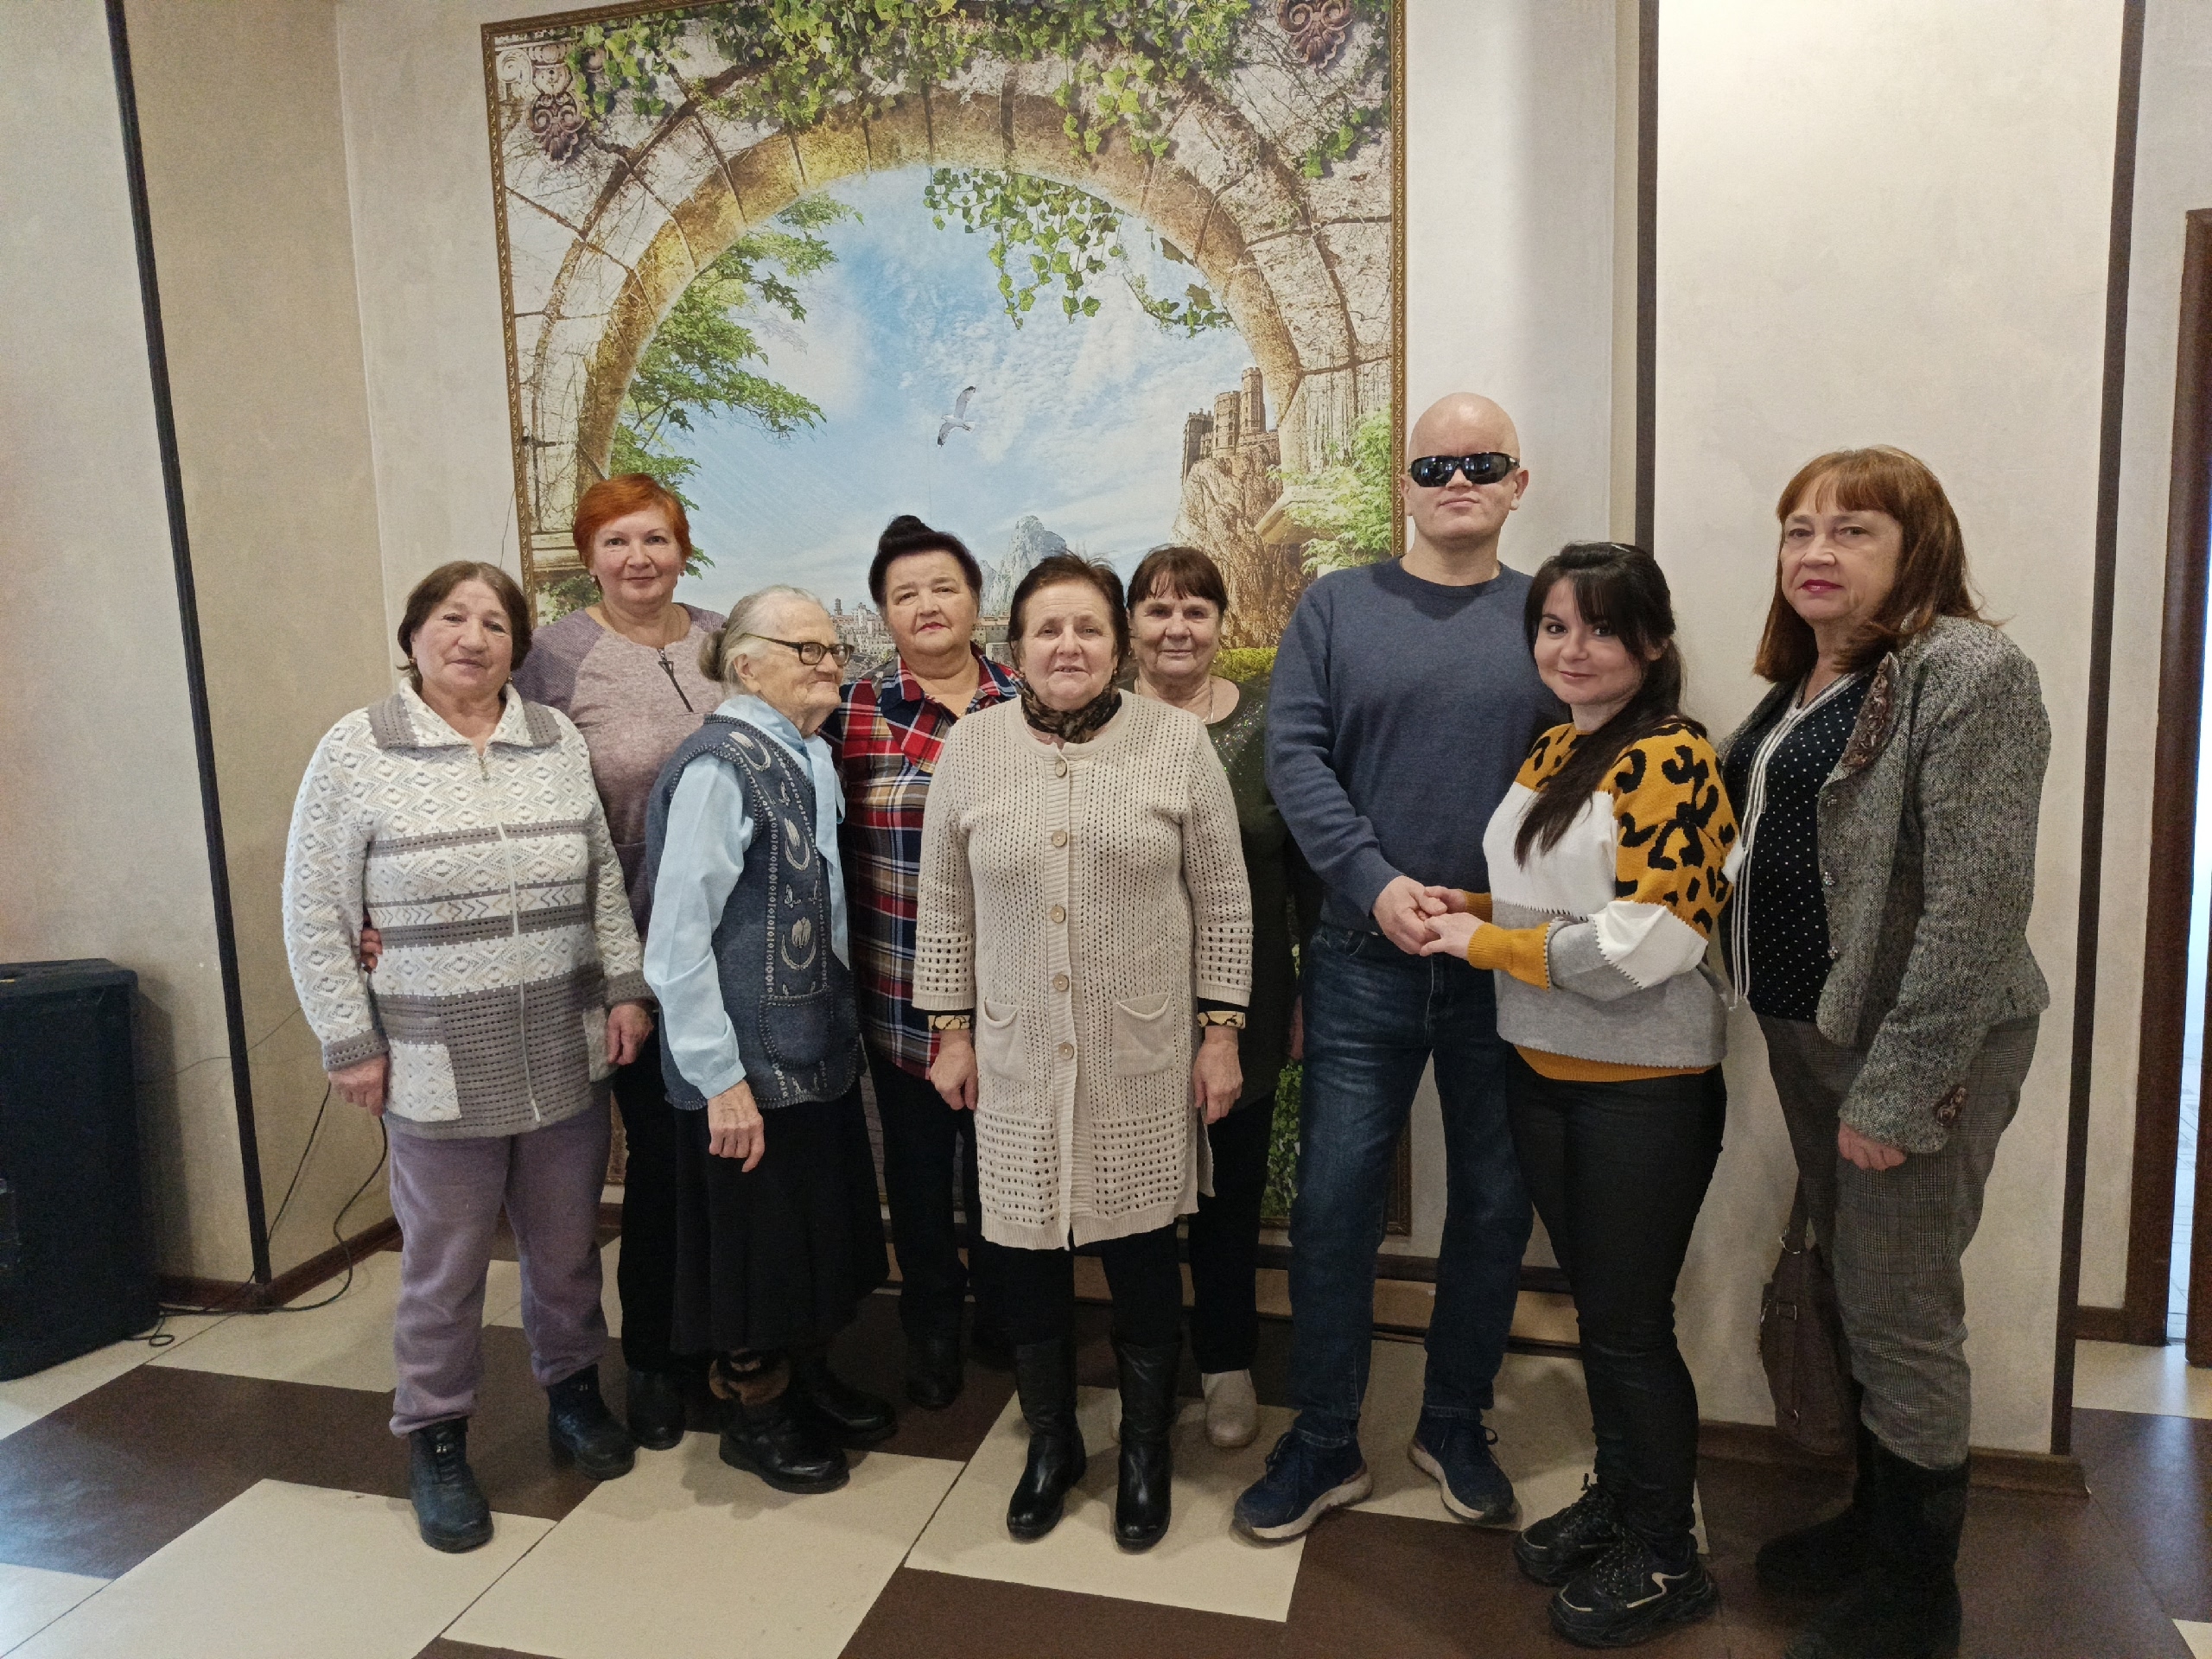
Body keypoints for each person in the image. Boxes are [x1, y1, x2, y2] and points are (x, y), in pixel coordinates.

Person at [1718, 448, 2048, 1659]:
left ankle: (1916, 1598)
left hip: (1914, 1043)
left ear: (1919, 548)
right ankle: (1871, 1525)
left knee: (1901, 1306)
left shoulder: (1969, 672)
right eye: (1798, 529)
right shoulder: (1807, 679)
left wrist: (1902, 1091)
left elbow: (1976, 904)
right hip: (1810, 1033)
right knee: (1852, 1285)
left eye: (1852, 530)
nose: (1816, 552)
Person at [1236, 393, 1564, 1542]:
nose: (1457, 479)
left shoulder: (1553, 616)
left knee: (1494, 1202)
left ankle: (1455, 1417)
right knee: (1333, 1204)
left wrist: (1498, 911)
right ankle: (1325, 1435)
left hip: (1503, 962)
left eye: (1483, 461)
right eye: (1434, 465)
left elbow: (1593, 762)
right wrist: (1375, 882)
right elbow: (1295, 757)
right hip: (1360, 953)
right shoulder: (1335, 606)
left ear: (1518, 482)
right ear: (1406, 486)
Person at [283, 561, 651, 1554]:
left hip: (563, 1043)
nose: (473, 638)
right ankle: (436, 1435)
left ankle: (573, 1391)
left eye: (495, 623)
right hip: (431, 1055)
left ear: (517, 647)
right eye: (452, 617)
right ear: (413, 633)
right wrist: (349, 1040)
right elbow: (316, 911)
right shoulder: (358, 748)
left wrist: (625, 986)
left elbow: (600, 880)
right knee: (443, 1266)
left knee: (566, 1249)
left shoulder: (554, 738)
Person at [1420, 543, 1735, 1647]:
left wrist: (1485, 944)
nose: (1573, 648)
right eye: (1554, 626)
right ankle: (1623, 1499)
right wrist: (1464, 907)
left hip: (1643, 1088)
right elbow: (1550, 900)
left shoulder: (1672, 758)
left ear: (1651, 642)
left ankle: (1668, 1555)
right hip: (1543, 1069)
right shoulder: (1560, 745)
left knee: (1629, 1327)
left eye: (1601, 627)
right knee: (1601, 1318)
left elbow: (1653, 940)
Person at [916, 553, 1252, 1549]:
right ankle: (1052, 1442)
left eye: (1089, 628)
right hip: (1015, 1054)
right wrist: (950, 1031)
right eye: (1048, 629)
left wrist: (1220, 1033)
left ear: (1118, 644)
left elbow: (1223, 899)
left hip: (1139, 1055)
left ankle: (1144, 1448)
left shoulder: (1174, 743)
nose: (1069, 646)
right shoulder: (972, 747)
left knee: (1144, 1256)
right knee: (1021, 1257)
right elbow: (945, 902)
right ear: (1017, 647)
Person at [640, 587, 895, 1496]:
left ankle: (808, 1378)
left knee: (809, 1234)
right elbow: (676, 943)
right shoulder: (720, 768)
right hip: (744, 1064)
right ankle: (755, 1411)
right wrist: (720, 1080)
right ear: (745, 664)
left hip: (810, 1047)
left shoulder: (807, 755)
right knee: (755, 1248)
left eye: (833, 650)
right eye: (806, 650)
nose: (830, 665)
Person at [506, 473, 724, 1450]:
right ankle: (658, 1359)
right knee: (665, 1166)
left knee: (739, 1163)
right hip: (630, 952)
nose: (639, 558)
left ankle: (742, 1342)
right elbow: (512, 790)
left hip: (739, 947)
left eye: (656, 538)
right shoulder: (555, 657)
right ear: (589, 558)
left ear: (683, 548)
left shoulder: (725, 638)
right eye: (616, 542)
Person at [823, 515, 1020, 1409]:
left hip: (1017, 994)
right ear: (883, 615)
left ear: (977, 599)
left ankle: (1008, 1312)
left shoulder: (1029, 701)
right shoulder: (853, 713)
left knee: (1005, 1167)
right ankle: (931, 1323)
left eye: (944, 587)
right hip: (901, 992)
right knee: (917, 1170)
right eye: (905, 594)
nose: (927, 605)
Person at [1125, 543, 1316, 1451]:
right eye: (1158, 609)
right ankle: (1147, 1360)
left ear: (1220, 624)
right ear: (1131, 625)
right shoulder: (1096, 726)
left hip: (1248, 994)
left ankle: (1227, 1359)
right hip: (1126, 999)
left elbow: (1307, 868)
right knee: (1137, 1190)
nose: (1177, 628)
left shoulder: (1272, 727)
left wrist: (1308, 990)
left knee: (1231, 1191)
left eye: (1195, 610)